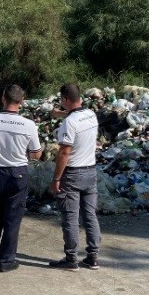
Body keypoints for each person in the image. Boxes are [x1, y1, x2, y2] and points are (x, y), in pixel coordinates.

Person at [0, 84, 42, 272]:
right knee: (12, 219)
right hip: (18, 174)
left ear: (3, 98)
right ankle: (6, 261)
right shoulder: (28, 125)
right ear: (22, 101)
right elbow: (36, 154)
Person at [49, 83, 101, 271]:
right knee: (90, 215)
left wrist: (56, 179)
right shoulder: (91, 115)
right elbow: (76, 117)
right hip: (91, 172)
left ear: (65, 100)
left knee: (70, 217)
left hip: (72, 174)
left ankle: (71, 259)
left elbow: (64, 153)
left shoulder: (69, 123)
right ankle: (93, 257)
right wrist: (60, 114)